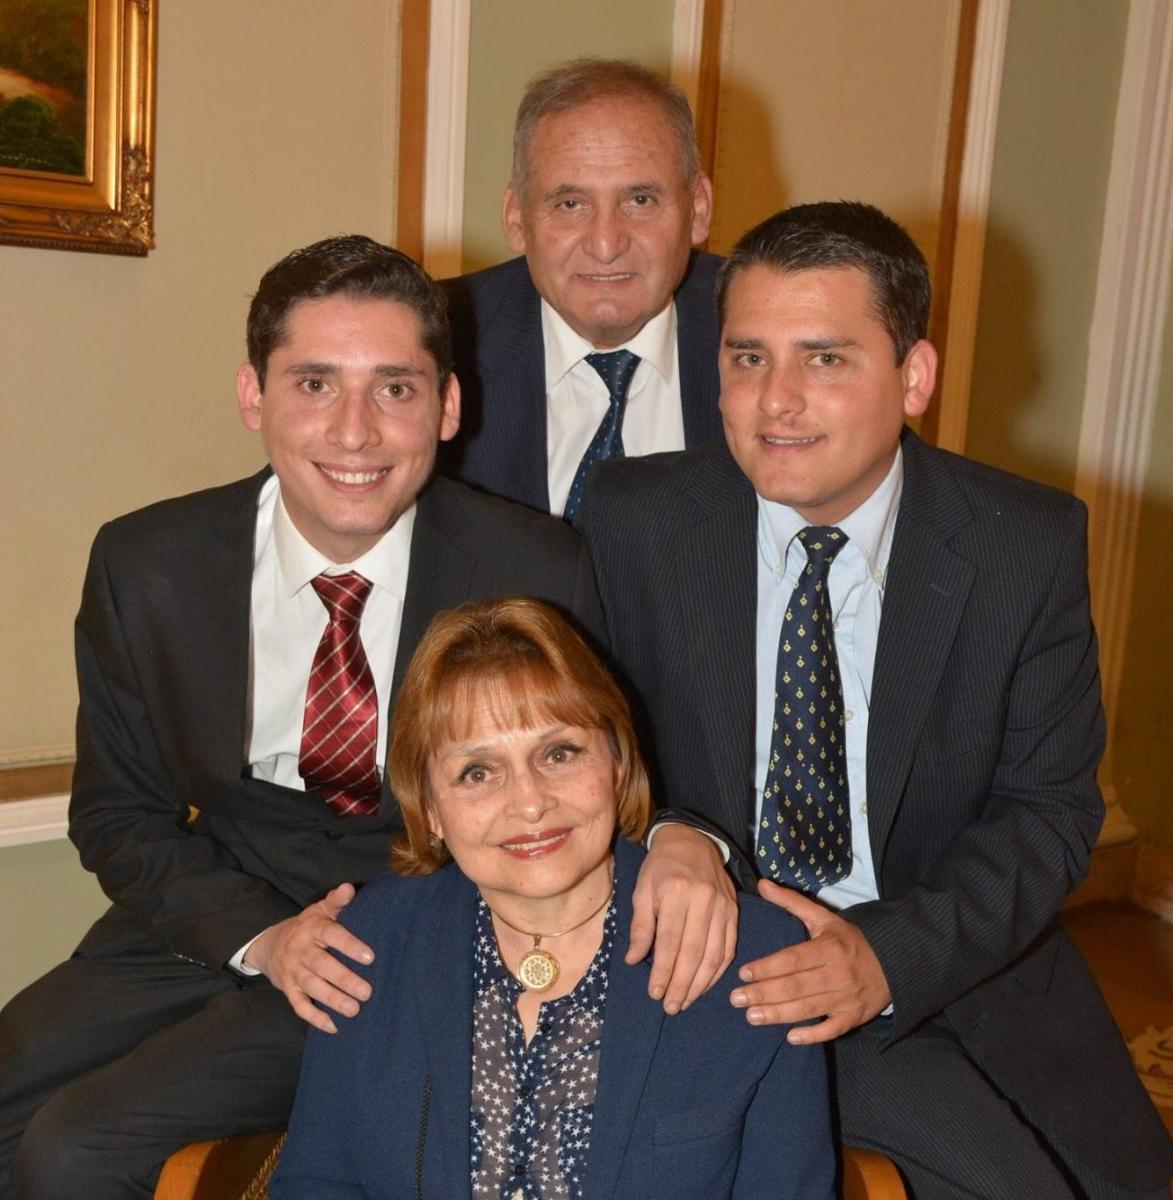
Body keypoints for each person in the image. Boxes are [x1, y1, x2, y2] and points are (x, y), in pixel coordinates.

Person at [0, 236, 731, 1200]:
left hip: (415, 928)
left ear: (448, 406)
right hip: (208, 902)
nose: (355, 432)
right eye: (314, 384)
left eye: (394, 388)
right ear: (253, 396)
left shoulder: (532, 566)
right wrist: (261, 937)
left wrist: (687, 837)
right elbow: (116, 813)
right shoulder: (147, 562)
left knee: (76, 1147)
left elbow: (602, 770)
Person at [578, 202, 1173, 1199]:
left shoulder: (1022, 545)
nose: (776, 401)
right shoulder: (634, 520)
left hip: (947, 955)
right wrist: (678, 833)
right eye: (747, 357)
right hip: (714, 965)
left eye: (825, 359)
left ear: (914, 377)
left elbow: (1047, 813)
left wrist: (886, 959)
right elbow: (582, 755)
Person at [271, 597, 835, 1200]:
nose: (530, 803)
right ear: (430, 807)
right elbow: (316, 1183)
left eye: (559, 753)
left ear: (617, 762)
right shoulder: (368, 944)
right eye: (478, 772)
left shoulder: (755, 957)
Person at [440, 58, 724, 519]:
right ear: (516, 218)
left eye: (640, 200)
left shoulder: (766, 336)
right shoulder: (436, 340)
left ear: (698, 208)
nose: (606, 245)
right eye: (571, 204)